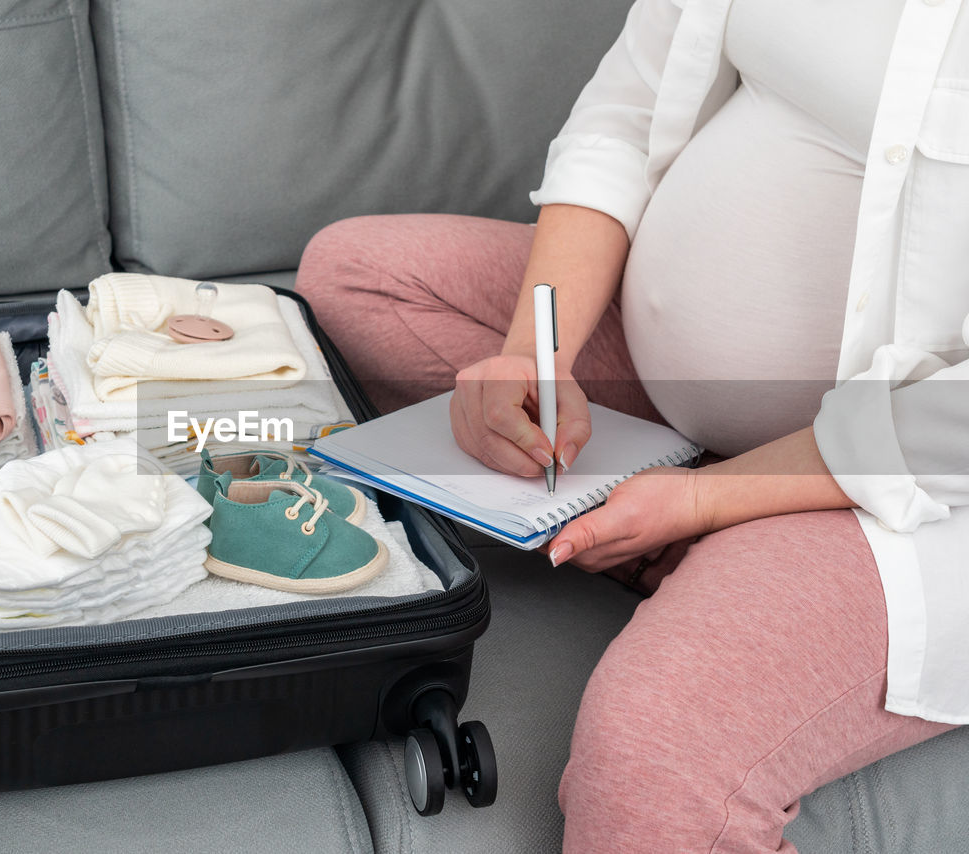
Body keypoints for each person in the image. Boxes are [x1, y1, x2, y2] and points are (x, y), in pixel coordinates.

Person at [295, 0, 969, 850]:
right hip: (678, 385)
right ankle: (692, 540)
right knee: (361, 278)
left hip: (915, 487)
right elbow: (626, 114)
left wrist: (710, 502)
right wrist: (533, 353)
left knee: (649, 771)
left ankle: (745, 537)